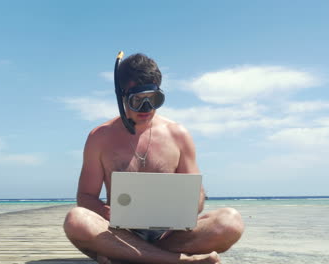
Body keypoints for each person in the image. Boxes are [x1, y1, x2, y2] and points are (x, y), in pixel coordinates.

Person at [64, 53, 244, 264]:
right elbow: (85, 197)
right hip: (120, 232)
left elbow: (197, 197)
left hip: (170, 235)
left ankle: (132, 256)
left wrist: (193, 202)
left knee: (231, 222)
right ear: (121, 97)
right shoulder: (100, 137)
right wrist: (109, 213)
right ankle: (178, 261)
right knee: (76, 220)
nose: (147, 109)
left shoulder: (178, 134)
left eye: (153, 100)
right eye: (138, 101)